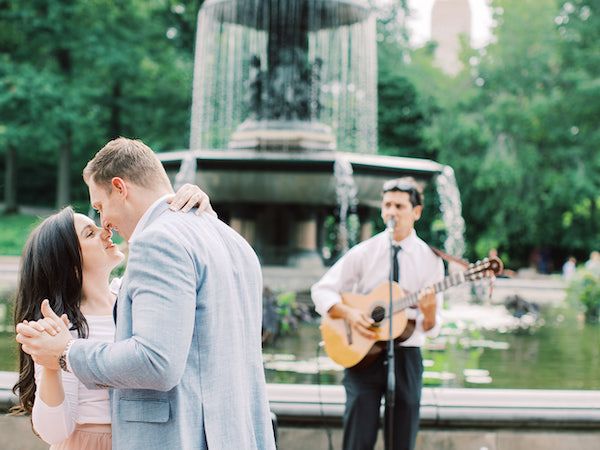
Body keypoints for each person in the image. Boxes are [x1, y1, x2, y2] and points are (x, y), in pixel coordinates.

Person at [16, 137, 276, 450]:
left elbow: (156, 361)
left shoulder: (158, 241)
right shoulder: (234, 242)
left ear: (120, 187)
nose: (105, 225)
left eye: (100, 207)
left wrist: (66, 352)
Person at [11, 183, 214, 449]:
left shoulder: (128, 295)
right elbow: (54, 432)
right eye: (90, 233)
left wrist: (199, 213)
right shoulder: (63, 326)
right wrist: (50, 365)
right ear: (70, 264)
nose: (105, 230)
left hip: (148, 439)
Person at [311, 177, 443, 450]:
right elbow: (322, 290)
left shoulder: (430, 259)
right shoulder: (364, 252)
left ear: (416, 212)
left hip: (406, 355)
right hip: (362, 354)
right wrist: (349, 314)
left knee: (402, 439)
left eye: (399, 206)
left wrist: (429, 313)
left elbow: (430, 327)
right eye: (387, 205)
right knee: (358, 438)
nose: (391, 212)